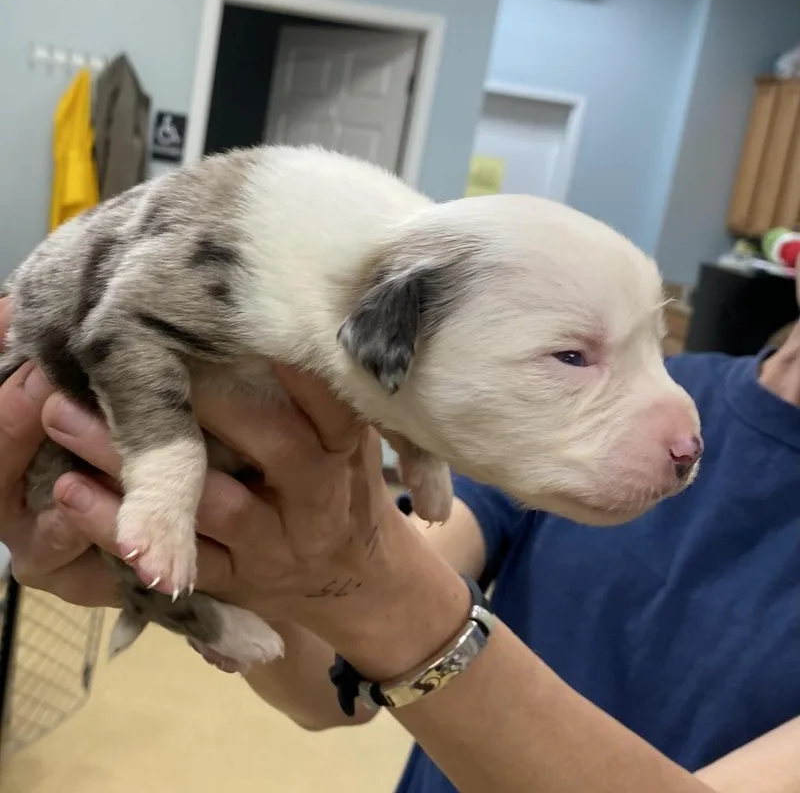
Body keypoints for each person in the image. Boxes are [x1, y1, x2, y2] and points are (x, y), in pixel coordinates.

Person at [0, 284, 798, 793]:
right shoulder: (657, 402)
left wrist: (374, 585)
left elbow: (374, 596)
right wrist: (238, 559)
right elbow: (327, 684)